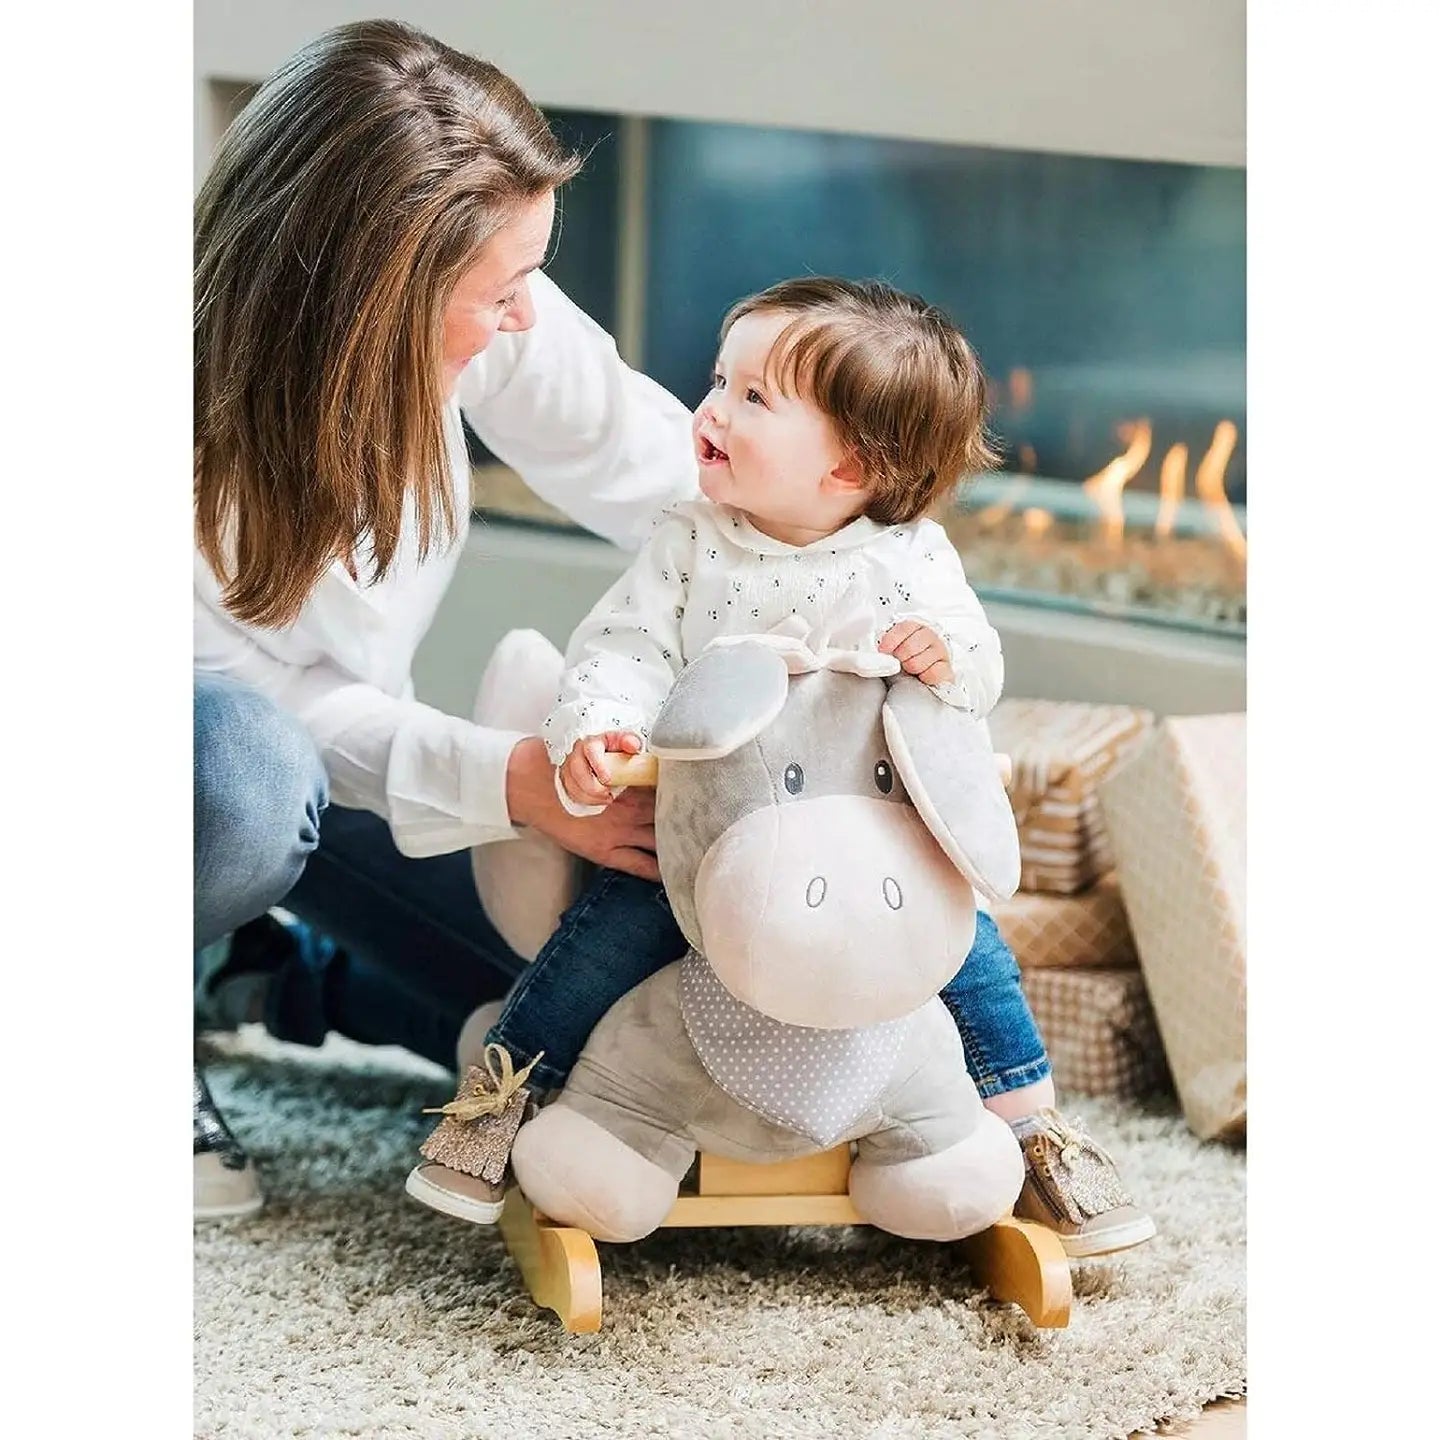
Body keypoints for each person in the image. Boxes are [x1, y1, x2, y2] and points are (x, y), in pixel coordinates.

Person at [406, 278, 1157, 1259]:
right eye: (722, 379)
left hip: (872, 837)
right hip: (711, 842)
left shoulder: (911, 560)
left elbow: (975, 667)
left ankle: (1034, 1128)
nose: (712, 408)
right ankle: (506, 1092)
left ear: (852, 464)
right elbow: (621, 651)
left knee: (970, 947)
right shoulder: (689, 542)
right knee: (604, 934)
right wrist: (601, 728)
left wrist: (942, 656)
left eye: (754, 397)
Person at [193, 19, 696, 1216]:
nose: (528, 315)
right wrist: (513, 781)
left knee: (572, 1023)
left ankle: (252, 971)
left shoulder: (481, 309)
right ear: (370, 296)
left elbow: (675, 483)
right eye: (504, 289)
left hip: (342, 771)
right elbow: (270, 708)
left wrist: (850, 592)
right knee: (242, 783)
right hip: (192, 766)